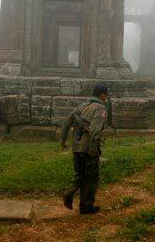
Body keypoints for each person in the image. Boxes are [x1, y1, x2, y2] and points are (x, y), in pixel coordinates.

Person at [60, 83, 109, 214]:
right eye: (106, 95)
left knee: (79, 174)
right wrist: (93, 147)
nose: (107, 98)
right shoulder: (100, 108)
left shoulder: (82, 105)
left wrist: (63, 139)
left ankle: (69, 192)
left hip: (76, 146)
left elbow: (67, 121)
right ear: (102, 95)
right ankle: (86, 206)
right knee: (91, 177)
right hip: (88, 147)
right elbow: (95, 129)